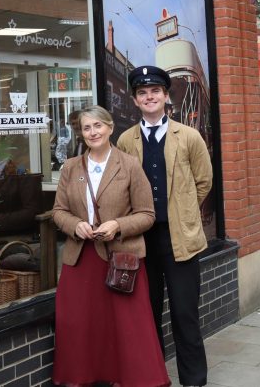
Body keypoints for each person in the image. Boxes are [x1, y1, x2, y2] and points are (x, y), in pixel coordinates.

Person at [51, 105, 168, 387]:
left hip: (120, 258)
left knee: (125, 326)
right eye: (86, 128)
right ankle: (81, 375)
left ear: (110, 128)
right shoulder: (71, 167)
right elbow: (58, 211)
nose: (92, 132)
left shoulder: (128, 164)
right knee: (79, 322)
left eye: (97, 126)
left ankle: (126, 378)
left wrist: (117, 225)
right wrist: (74, 225)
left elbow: (147, 214)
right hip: (81, 258)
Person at [117, 65, 213, 387]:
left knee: (185, 314)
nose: (149, 97)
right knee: (148, 314)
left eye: (155, 91)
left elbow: (204, 182)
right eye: (142, 93)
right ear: (135, 100)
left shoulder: (188, 136)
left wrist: (183, 212)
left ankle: (194, 379)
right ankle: (154, 378)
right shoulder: (126, 140)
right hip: (143, 241)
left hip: (180, 239)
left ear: (165, 95)